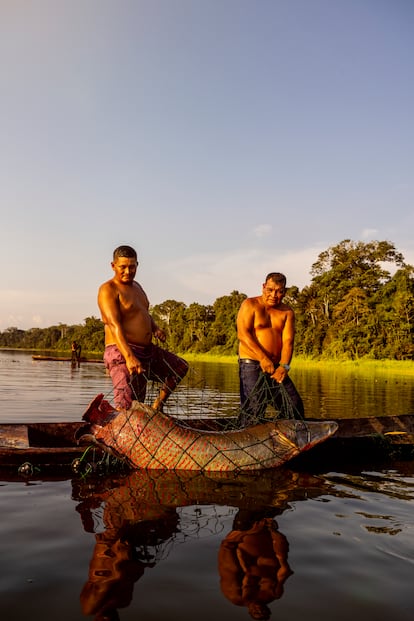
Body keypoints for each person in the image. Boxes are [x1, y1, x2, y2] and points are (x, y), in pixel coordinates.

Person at [98, 245, 188, 411]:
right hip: (121, 353)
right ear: (113, 266)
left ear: (137, 265)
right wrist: (129, 356)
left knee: (180, 367)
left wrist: (155, 328)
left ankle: (157, 406)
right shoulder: (108, 289)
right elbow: (113, 324)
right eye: (122, 267)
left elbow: (143, 313)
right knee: (126, 407)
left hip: (146, 352)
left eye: (132, 266)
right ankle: (119, 433)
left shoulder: (137, 287)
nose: (127, 271)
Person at [236, 272, 304, 426]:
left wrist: (284, 366)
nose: (274, 295)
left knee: (294, 406)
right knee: (254, 411)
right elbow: (243, 334)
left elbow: (288, 341)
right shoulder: (250, 304)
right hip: (252, 364)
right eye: (270, 290)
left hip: (276, 368)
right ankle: (247, 440)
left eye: (279, 291)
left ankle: (284, 440)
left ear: (284, 292)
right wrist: (262, 358)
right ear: (263, 287)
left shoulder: (287, 312)